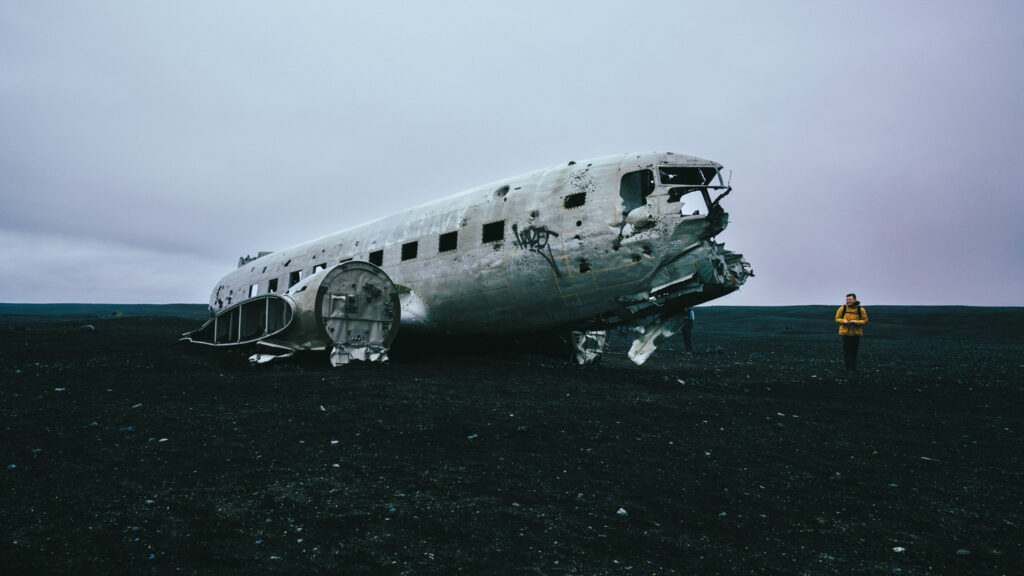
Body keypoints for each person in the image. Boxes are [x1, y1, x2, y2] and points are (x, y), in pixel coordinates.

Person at [835, 293, 868, 372]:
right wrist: (843, 321)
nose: (848, 301)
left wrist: (856, 322)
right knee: (847, 352)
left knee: (854, 352)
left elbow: (865, 320)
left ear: (855, 300)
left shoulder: (861, 310)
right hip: (845, 334)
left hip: (856, 334)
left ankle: (853, 368)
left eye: (850, 299)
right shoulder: (842, 309)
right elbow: (837, 319)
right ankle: (848, 369)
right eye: (847, 299)